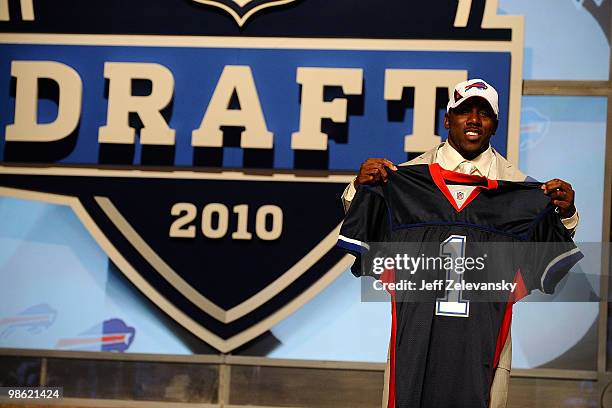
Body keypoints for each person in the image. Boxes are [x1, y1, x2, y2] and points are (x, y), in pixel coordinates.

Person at [340, 78, 579, 408]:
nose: (474, 119)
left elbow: (550, 259)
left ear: (495, 124)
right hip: (416, 342)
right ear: (447, 118)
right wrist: (360, 187)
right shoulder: (403, 178)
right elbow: (367, 229)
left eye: (484, 113)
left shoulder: (521, 191)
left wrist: (564, 215)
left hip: (484, 344)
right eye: (465, 110)